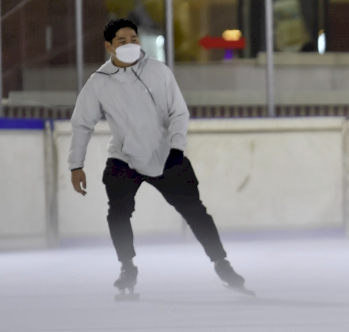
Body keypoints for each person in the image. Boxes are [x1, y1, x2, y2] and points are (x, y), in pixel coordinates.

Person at [68, 18, 249, 299]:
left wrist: (177, 149)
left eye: (134, 39)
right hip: (124, 158)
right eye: (122, 41)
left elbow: (179, 112)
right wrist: (76, 165)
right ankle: (127, 267)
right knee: (117, 213)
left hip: (167, 156)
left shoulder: (158, 72)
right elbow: (82, 124)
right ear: (108, 46)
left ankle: (222, 264)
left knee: (195, 212)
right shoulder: (98, 83)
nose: (130, 44)